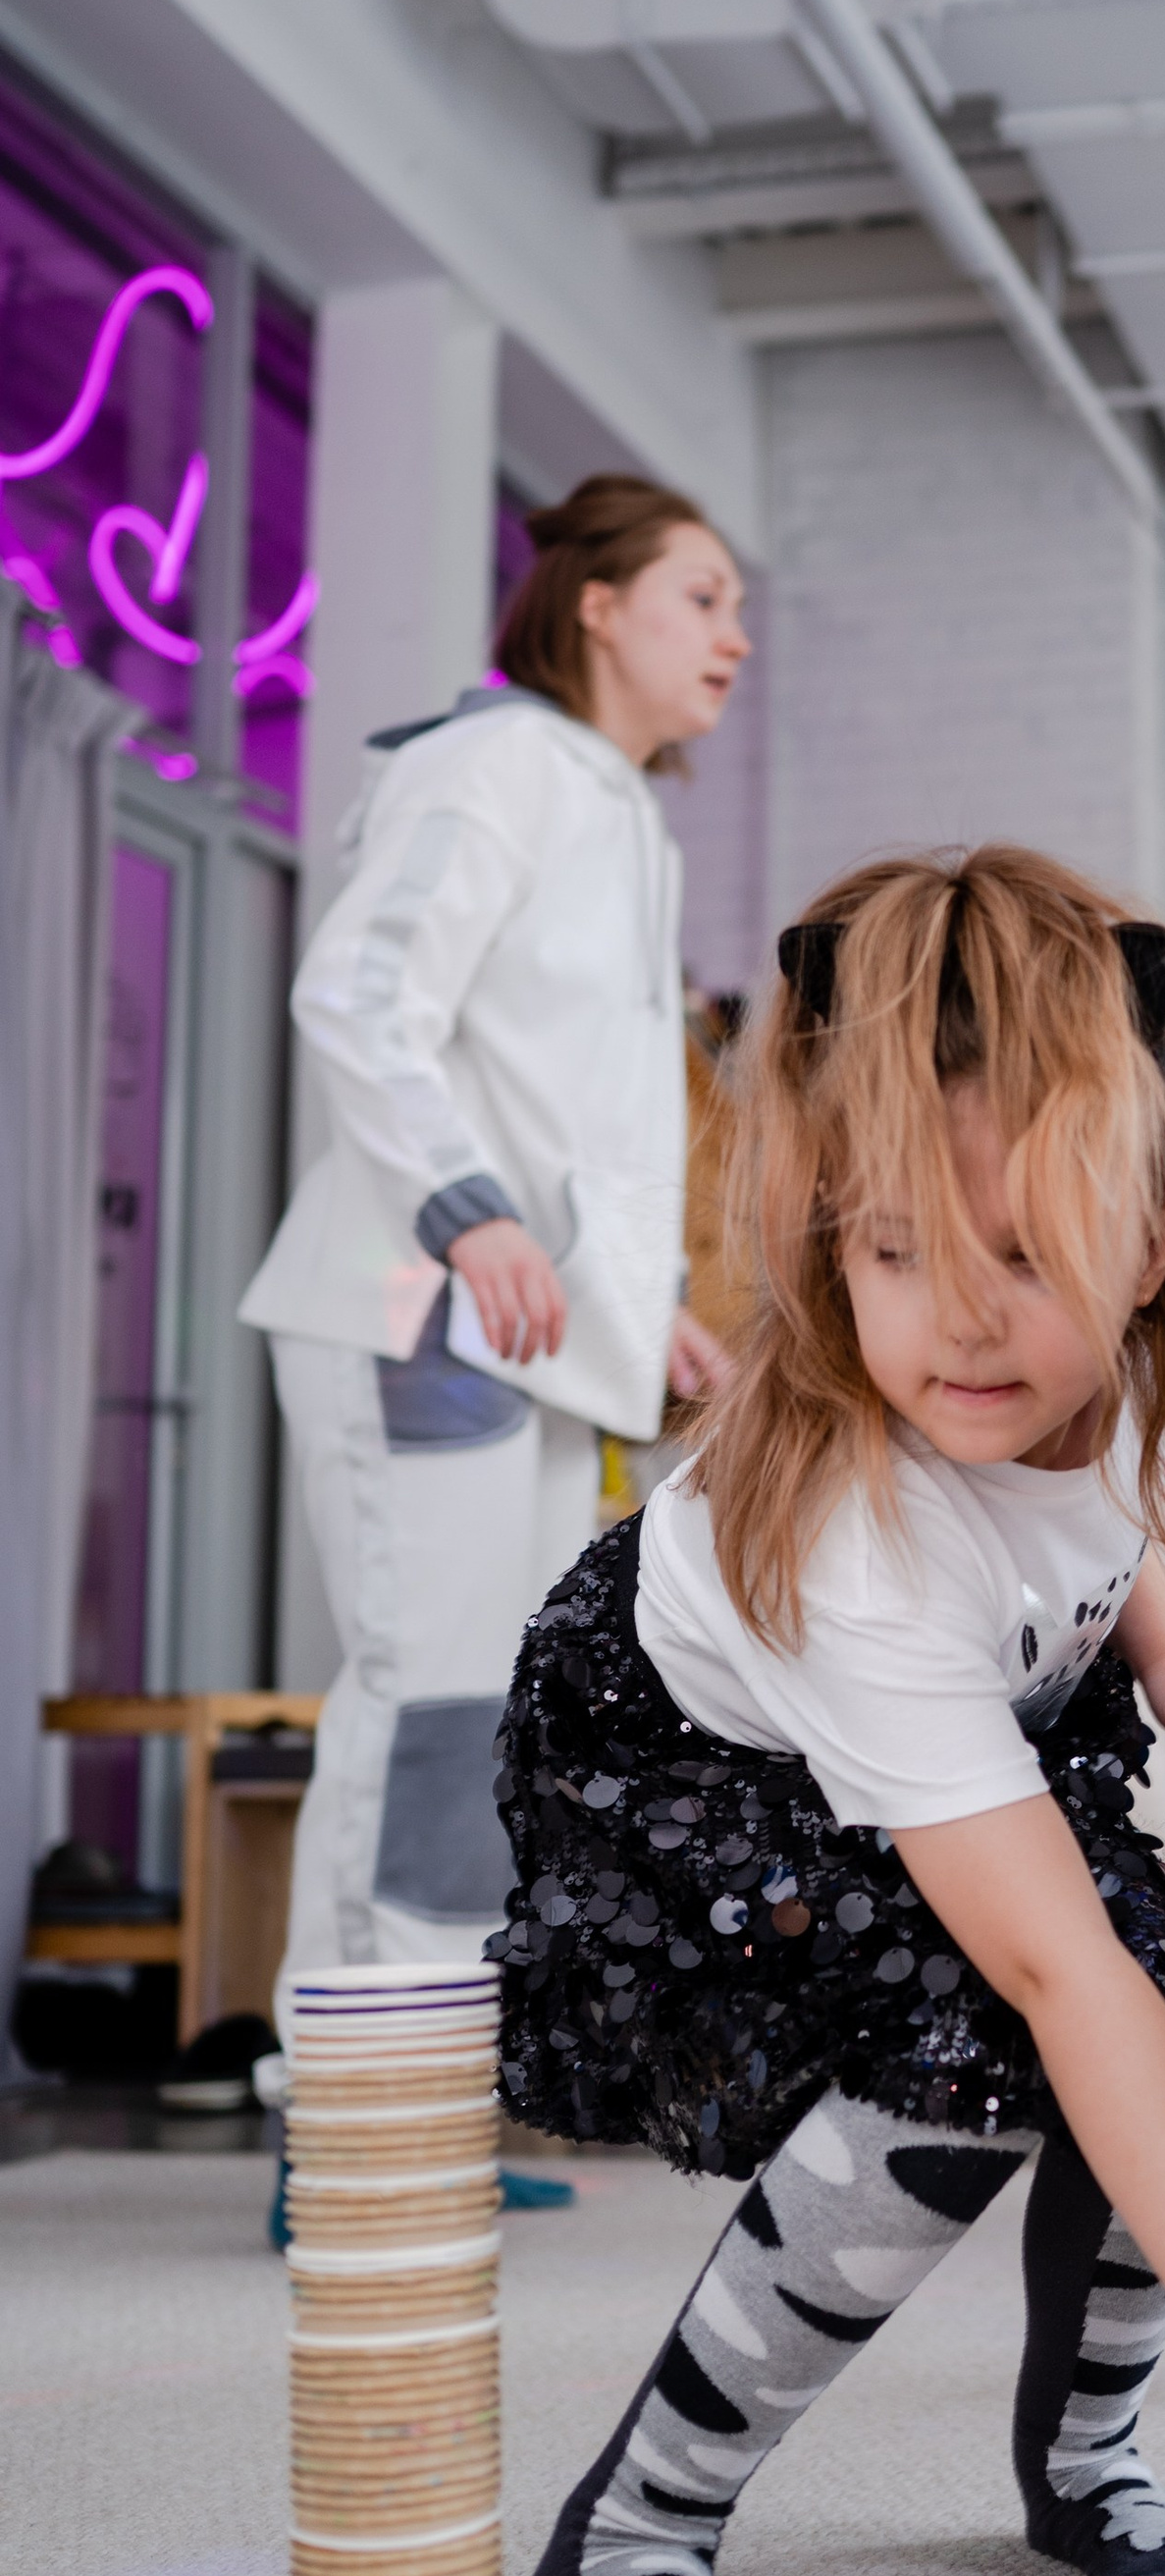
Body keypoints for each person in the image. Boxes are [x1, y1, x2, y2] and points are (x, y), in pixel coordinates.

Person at [498, 848, 1165, 2576]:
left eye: (1027, 1255)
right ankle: (627, 2533)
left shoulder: (1091, 1393)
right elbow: (1049, 1972)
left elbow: (1116, 1512)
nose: (962, 1323)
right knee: (972, 2049)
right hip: (699, 1752)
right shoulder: (871, 1538)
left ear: (1153, 1249)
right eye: (899, 1255)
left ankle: (1083, 2457)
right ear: (829, 1238)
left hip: (993, 1713)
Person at [242, 480, 748, 2057]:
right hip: (421, 1311)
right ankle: (348, 2092)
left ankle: (436, 2082)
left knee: (508, 1718)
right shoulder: (488, 767)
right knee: (431, 1699)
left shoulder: (620, 812)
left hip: (535, 1334)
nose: (737, 640)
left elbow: (571, 1117)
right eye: (705, 599)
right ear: (597, 604)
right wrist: (467, 1211)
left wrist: (641, 1307)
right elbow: (361, 1002)